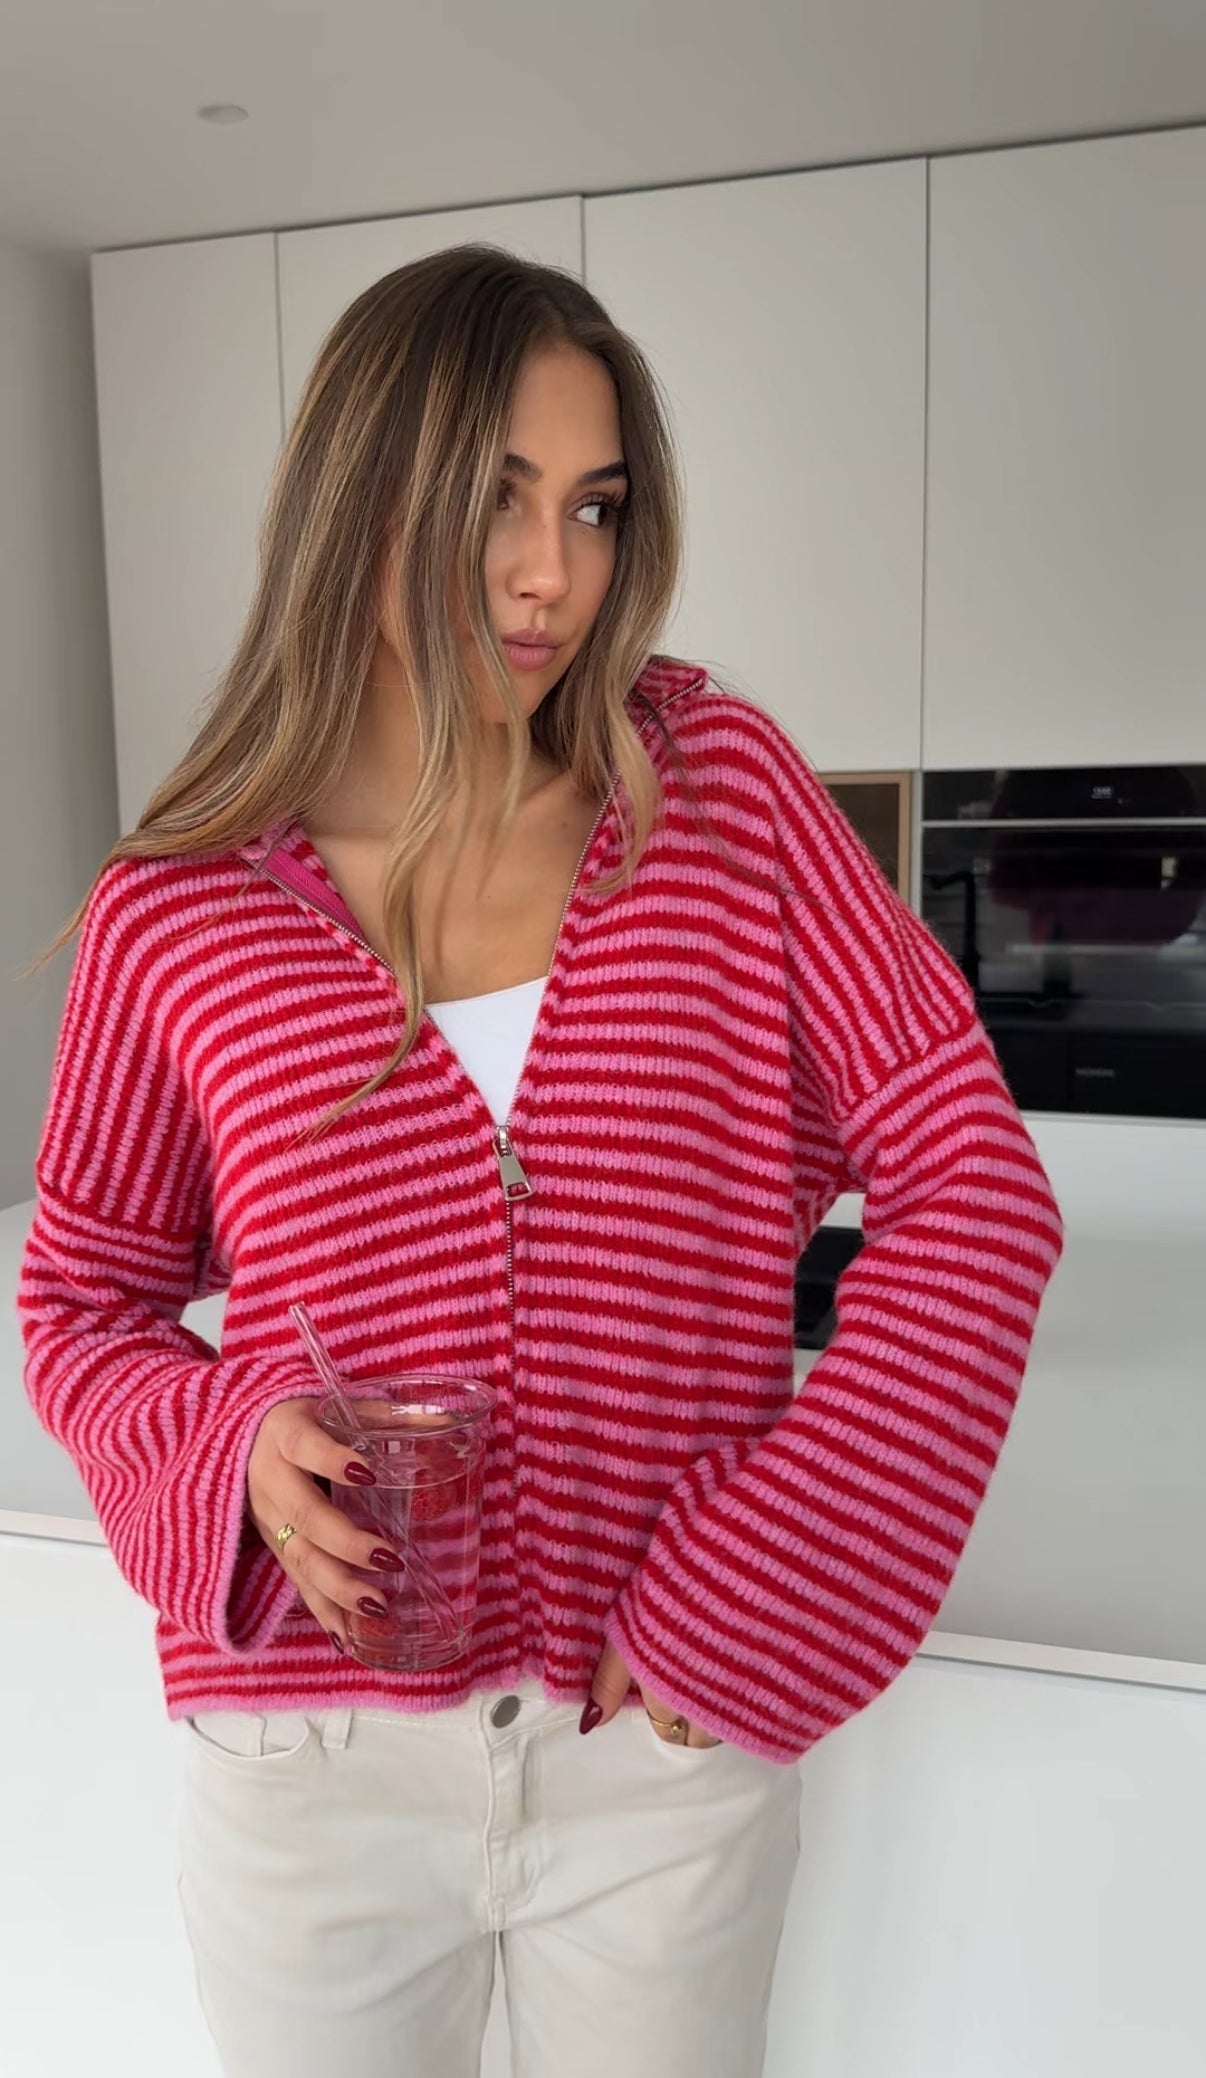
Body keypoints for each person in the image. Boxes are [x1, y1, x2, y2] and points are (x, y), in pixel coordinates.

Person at [18, 246, 1064, 2078]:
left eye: (593, 505)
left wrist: (753, 1585)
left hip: (654, 1756)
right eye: (497, 496)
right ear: (361, 495)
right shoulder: (175, 908)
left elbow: (973, 1185)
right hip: (308, 1765)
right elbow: (80, 1301)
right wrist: (230, 1446)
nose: (551, 574)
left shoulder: (718, 793)